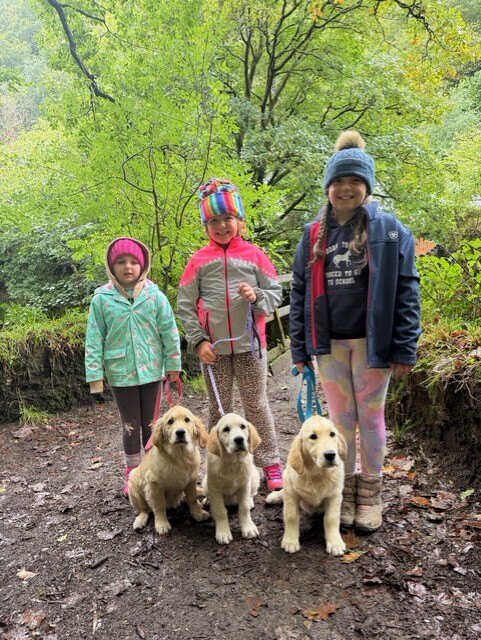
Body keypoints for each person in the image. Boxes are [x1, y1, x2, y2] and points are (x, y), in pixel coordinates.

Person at [289, 131, 421, 532]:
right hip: (329, 345)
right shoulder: (313, 234)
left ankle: (370, 493)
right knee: (341, 421)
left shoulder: (391, 231)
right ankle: (341, 492)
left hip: (372, 345)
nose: (346, 189)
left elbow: (407, 289)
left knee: (371, 418)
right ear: (328, 187)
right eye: (338, 182)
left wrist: (405, 346)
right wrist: (300, 348)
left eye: (355, 182)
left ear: (368, 186)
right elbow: (299, 291)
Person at [177, 178, 284, 491]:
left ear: (240, 221)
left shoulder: (255, 255)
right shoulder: (198, 261)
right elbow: (185, 304)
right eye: (213, 221)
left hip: (250, 345)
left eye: (227, 218)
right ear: (206, 225)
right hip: (214, 351)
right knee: (218, 408)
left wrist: (257, 296)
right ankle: (216, 465)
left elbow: (275, 293)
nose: (221, 226)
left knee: (256, 405)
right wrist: (199, 340)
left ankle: (270, 461)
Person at [85, 237, 182, 496]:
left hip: (152, 369)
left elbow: (169, 331)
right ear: (111, 266)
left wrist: (173, 364)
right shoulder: (101, 299)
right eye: (121, 262)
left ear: (143, 265)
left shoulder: (155, 296)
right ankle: (133, 472)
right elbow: (94, 338)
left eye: (133, 262)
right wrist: (95, 375)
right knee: (130, 424)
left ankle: (153, 469)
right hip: (120, 373)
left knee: (152, 424)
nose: (128, 267)